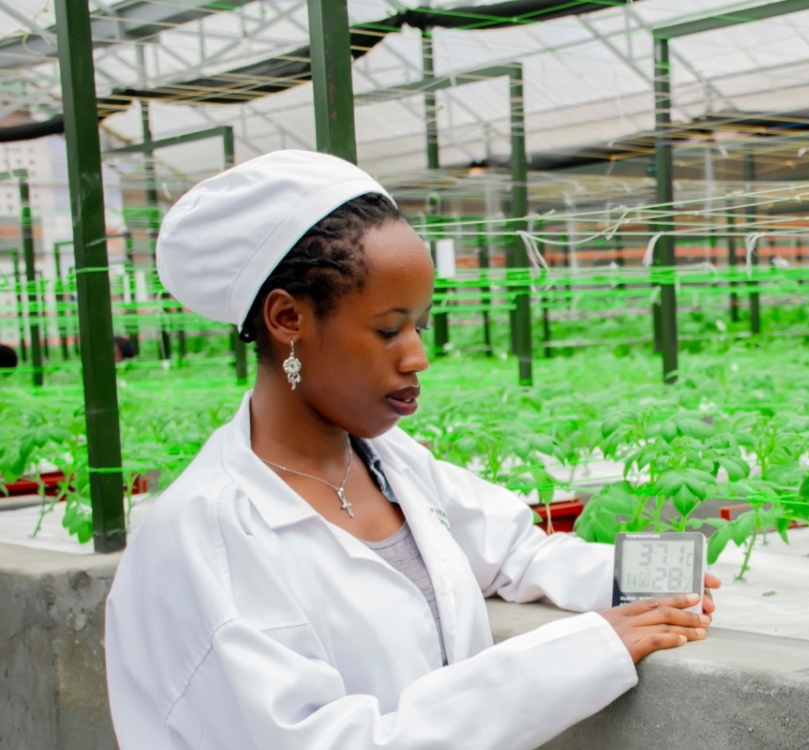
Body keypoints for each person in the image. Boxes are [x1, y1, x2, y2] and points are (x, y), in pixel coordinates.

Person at [105, 150, 719, 749]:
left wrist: (648, 580)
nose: (418, 356)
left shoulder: (387, 463)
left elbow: (513, 551)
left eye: (419, 325)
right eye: (387, 329)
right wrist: (587, 651)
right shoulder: (204, 539)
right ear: (288, 318)